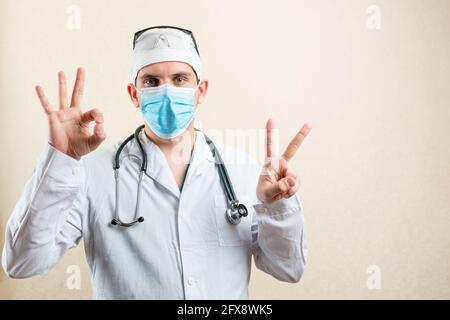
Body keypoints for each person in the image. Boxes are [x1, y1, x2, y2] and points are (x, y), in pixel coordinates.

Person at [1, 26, 312, 299]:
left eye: (179, 79)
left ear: (200, 91)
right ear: (134, 95)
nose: (166, 92)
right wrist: (61, 160)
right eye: (151, 81)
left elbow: (289, 269)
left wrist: (278, 206)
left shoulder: (243, 170)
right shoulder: (91, 173)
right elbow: (22, 262)